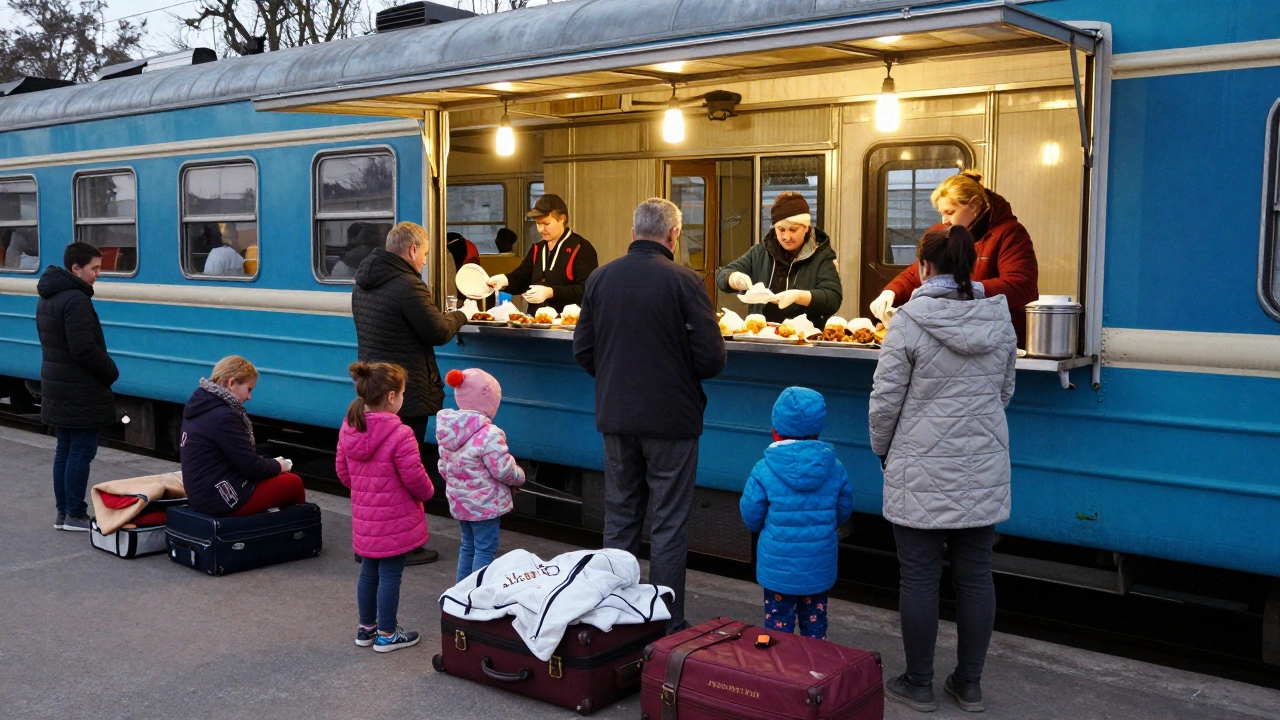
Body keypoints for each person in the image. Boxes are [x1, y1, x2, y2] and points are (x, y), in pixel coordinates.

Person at [869, 225, 1018, 714]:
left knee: (918, 578)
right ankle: (969, 684)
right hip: (983, 466)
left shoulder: (909, 321)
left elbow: (885, 403)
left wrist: (883, 450)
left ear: (925, 267)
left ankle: (919, 683)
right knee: (976, 576)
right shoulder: (999, 318)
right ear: (971, 266)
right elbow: (1004, 391)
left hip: (919, 466)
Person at [573, 198, 726, 631]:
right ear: (673, 235)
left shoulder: (600, 279)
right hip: (673, 421)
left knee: (619, 517)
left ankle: (610, 619)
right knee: (669, 523)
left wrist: (614, 381)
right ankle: (664, 624)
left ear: (635, 230)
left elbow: (583, 350)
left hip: (617, 416)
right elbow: (712, 359)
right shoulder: (686, 282)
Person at [352, 221, 467, 565]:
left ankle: (372, 543)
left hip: (375, 387)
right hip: (404, 390)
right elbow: (437, 331)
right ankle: (403, 547)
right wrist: (462, 314)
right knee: (404, 469)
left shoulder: (364, 283)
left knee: (376, 471)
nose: (424, 263)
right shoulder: (407, 285)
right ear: (413, 249)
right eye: (426, 255)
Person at [869, 170, 1038, 347]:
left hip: (996, 339)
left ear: (973, 205)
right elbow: (918, 271)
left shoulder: (1009, 234)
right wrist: (892, 291)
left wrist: (966, 290)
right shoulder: (941, 232)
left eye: (950, 212)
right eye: (941, 213)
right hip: (952, 336)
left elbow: (1021, 285)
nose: (945, 220)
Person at [336, 361, 435, 653]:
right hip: (395, 518)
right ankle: (389, 634)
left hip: (366, 517)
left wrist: (366, 491)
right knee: (391, 574)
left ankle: (366, 629)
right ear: (391, 396)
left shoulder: (349, 425)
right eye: (403, 394)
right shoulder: (401, 434)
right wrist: (428, 493)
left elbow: (342, 472)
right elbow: (415, 477)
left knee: (368, 571)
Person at [740, 386, 853, 640]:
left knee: (778, 629)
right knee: (815, 627)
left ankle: (782, 674)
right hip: (818, 566)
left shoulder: (763, 469)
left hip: (777, 568)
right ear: (818, 430)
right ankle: (814, 672)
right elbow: (844, 509)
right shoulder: (834, 467)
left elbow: (751, 515)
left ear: (775, 433)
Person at [36, 242, 119, 532]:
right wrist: (111, 371)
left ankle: (64, 513)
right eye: (94, 268)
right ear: (76, 268)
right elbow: (84, 349)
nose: (98, 274)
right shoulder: (76, 300)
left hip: (59, 384)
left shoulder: (50, 296)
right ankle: (74, 513)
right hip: (80, 388)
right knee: (81, 450)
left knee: (66, 448)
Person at [179, 356, 305, 517]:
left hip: (202, 494)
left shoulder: (201, 405)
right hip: (221, 498)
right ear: (231, 383)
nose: (249, 397)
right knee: (293, 482)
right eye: (249, 389)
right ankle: (297, 533)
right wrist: (279, 465)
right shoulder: (224, 416)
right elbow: (252, 468)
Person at [436, 368, 525, 583]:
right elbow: (503, 470)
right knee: (485, 551)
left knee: (468, 546)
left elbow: (443, 467)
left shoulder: (448, 432)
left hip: (460, 503)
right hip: (485, 507)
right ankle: (477, 597)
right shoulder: (489, 434)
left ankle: (461, 593)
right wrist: (519, 476)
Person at [716, 191, 842, 328]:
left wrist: (799, 296)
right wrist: (735, 279)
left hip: (806, 339)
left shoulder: (822, 256)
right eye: (781, 229)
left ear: (806, 227)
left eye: (793, 230)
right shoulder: (760, 253)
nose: (786, 237)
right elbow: (723, 275)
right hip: (762, 334)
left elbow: (833, 298)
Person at [487, 194, 598, 315]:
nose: (540, 229)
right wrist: (504, 281)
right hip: (536, 320)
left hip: (568, 323)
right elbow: (521, 279)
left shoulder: (581, 248)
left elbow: (587, 289)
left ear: (562, 219)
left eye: (546, 223)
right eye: (537, 223)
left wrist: (551, 292)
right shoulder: (538, 249)